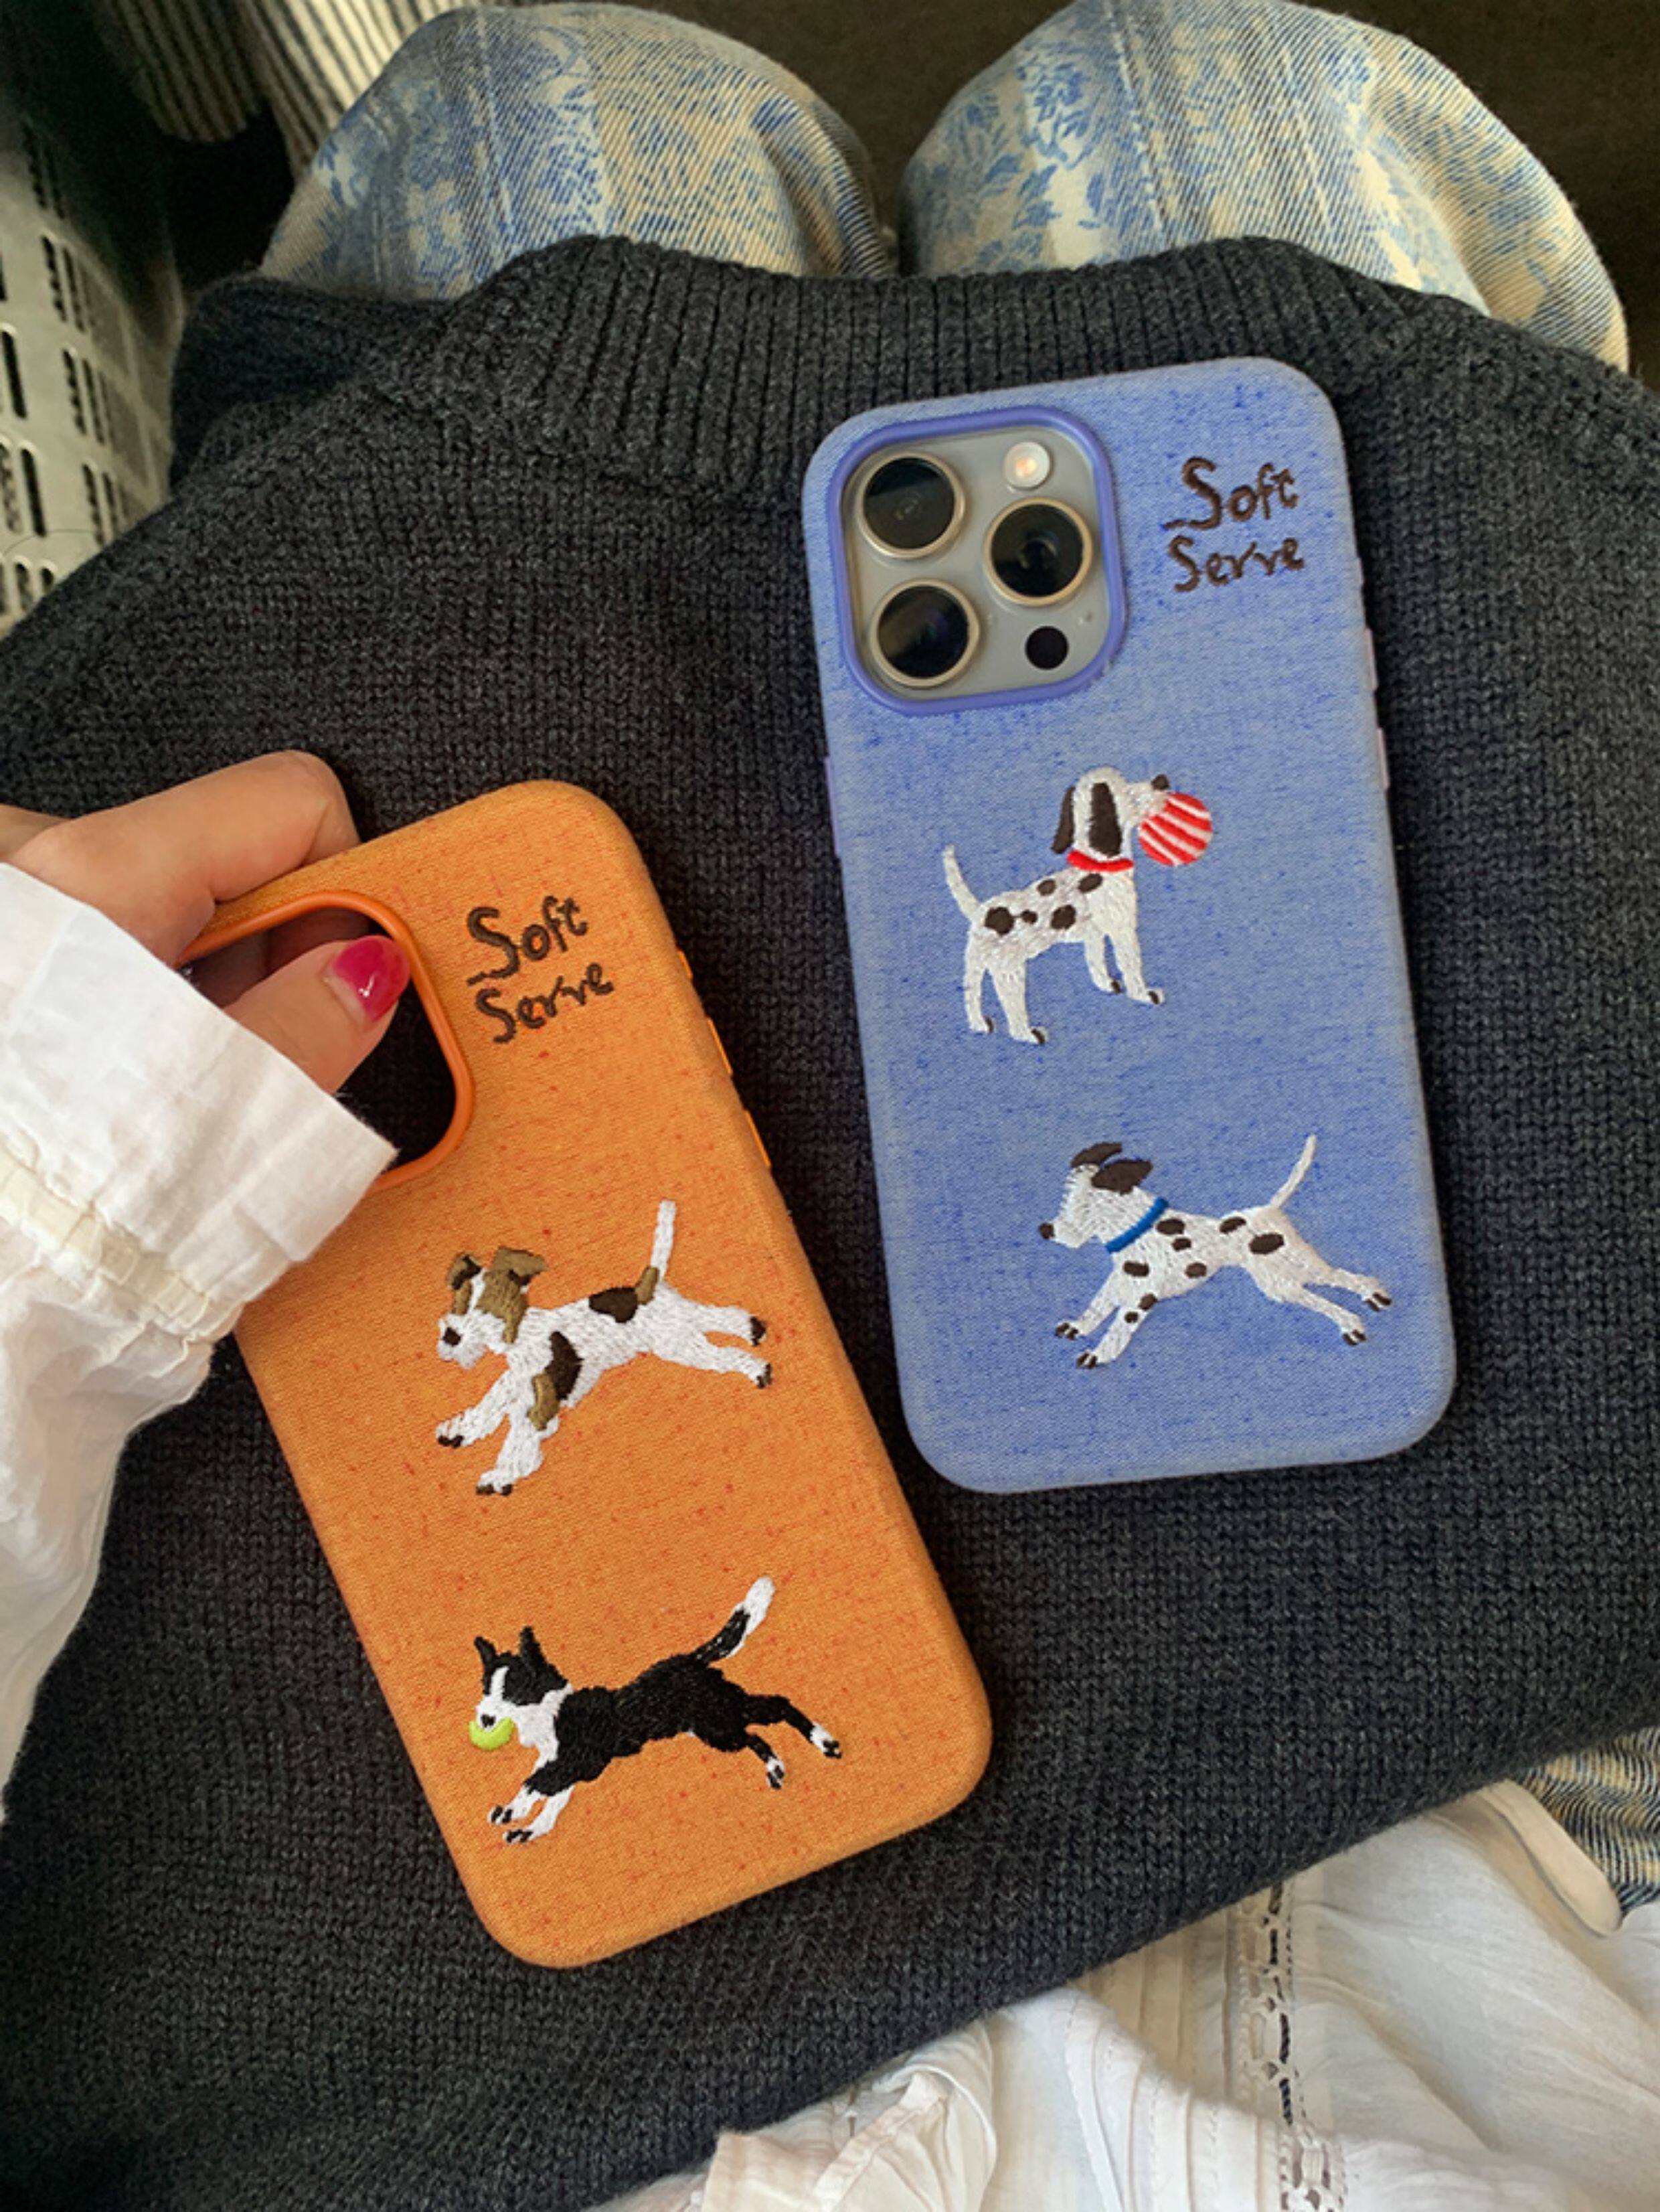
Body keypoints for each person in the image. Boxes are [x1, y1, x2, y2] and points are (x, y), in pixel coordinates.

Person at [2, 5, 1656, 2208]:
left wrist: (41, 1206)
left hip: (433, 2027)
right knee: (1198, 89)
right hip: (1524, 1815)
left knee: (536, 103)